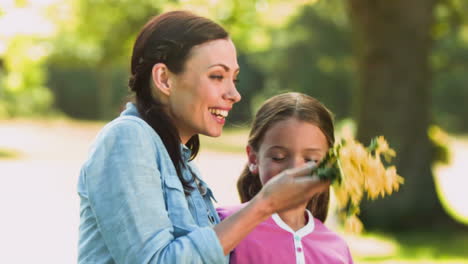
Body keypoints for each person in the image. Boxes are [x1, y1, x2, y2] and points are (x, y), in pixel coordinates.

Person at [77, 11, 329, 263]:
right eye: (217, 76)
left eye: (234, 78)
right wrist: (264, 204)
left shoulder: (180, 162)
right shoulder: (127, 138)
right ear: (164, 79)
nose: (234, 94)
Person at [218, 92, 354, 264]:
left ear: (329, 166)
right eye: (279, 157)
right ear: (253, 158)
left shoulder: (337, 248)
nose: (293, 170)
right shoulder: (224, 226)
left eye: (311, 160)